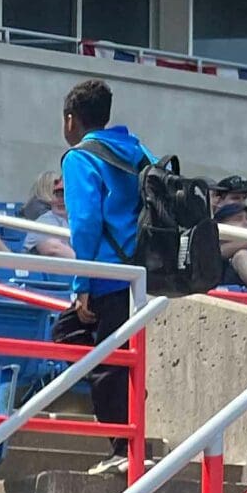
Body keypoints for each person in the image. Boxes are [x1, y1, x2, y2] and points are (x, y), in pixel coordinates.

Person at [59, 78, 151, 427]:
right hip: (141, 272)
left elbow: (84, 223)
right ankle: (129, 414)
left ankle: (124, 448)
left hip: (107, 276)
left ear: (71, 120)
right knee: (79, 339)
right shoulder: (138, 150)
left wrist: (82, 284)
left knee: (105, 365)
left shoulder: (79, 157)